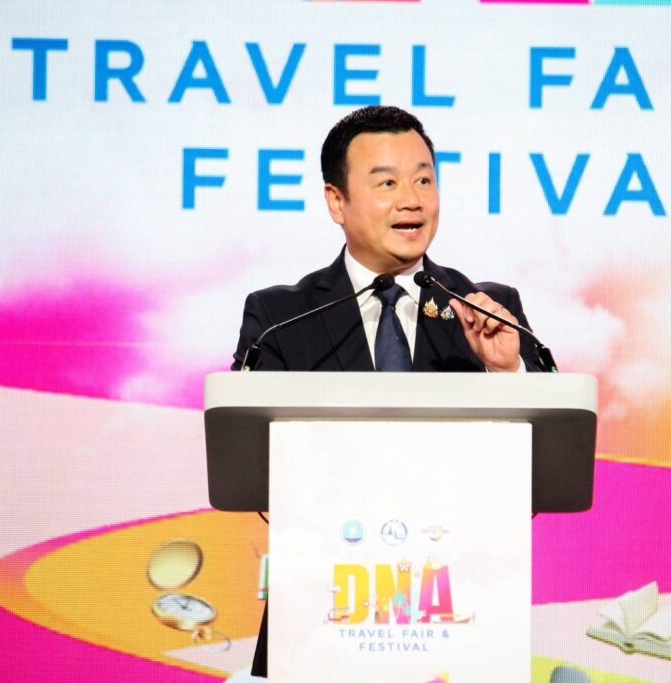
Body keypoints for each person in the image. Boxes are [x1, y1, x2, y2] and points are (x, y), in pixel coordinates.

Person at [231, 105, 543, 677]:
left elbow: (548, 467)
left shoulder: (488, 310)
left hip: (461, 616)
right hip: (322, 619)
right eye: (387, 183)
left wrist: (507, 373)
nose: (412, 200)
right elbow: (253, 470)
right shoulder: (281, 319)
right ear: (337, 202)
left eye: (424, 180)